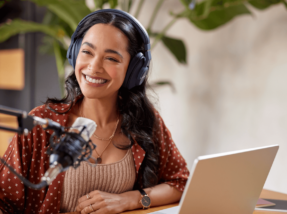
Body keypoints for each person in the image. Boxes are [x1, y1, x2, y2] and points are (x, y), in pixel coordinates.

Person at [0, 9, 189, 214]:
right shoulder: (42, 123)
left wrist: (130, 199)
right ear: (74, 53)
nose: (94, 67)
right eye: (87, 52)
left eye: (112, 58)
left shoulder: (144, 122)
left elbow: (181, 183)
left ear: (133, 70)